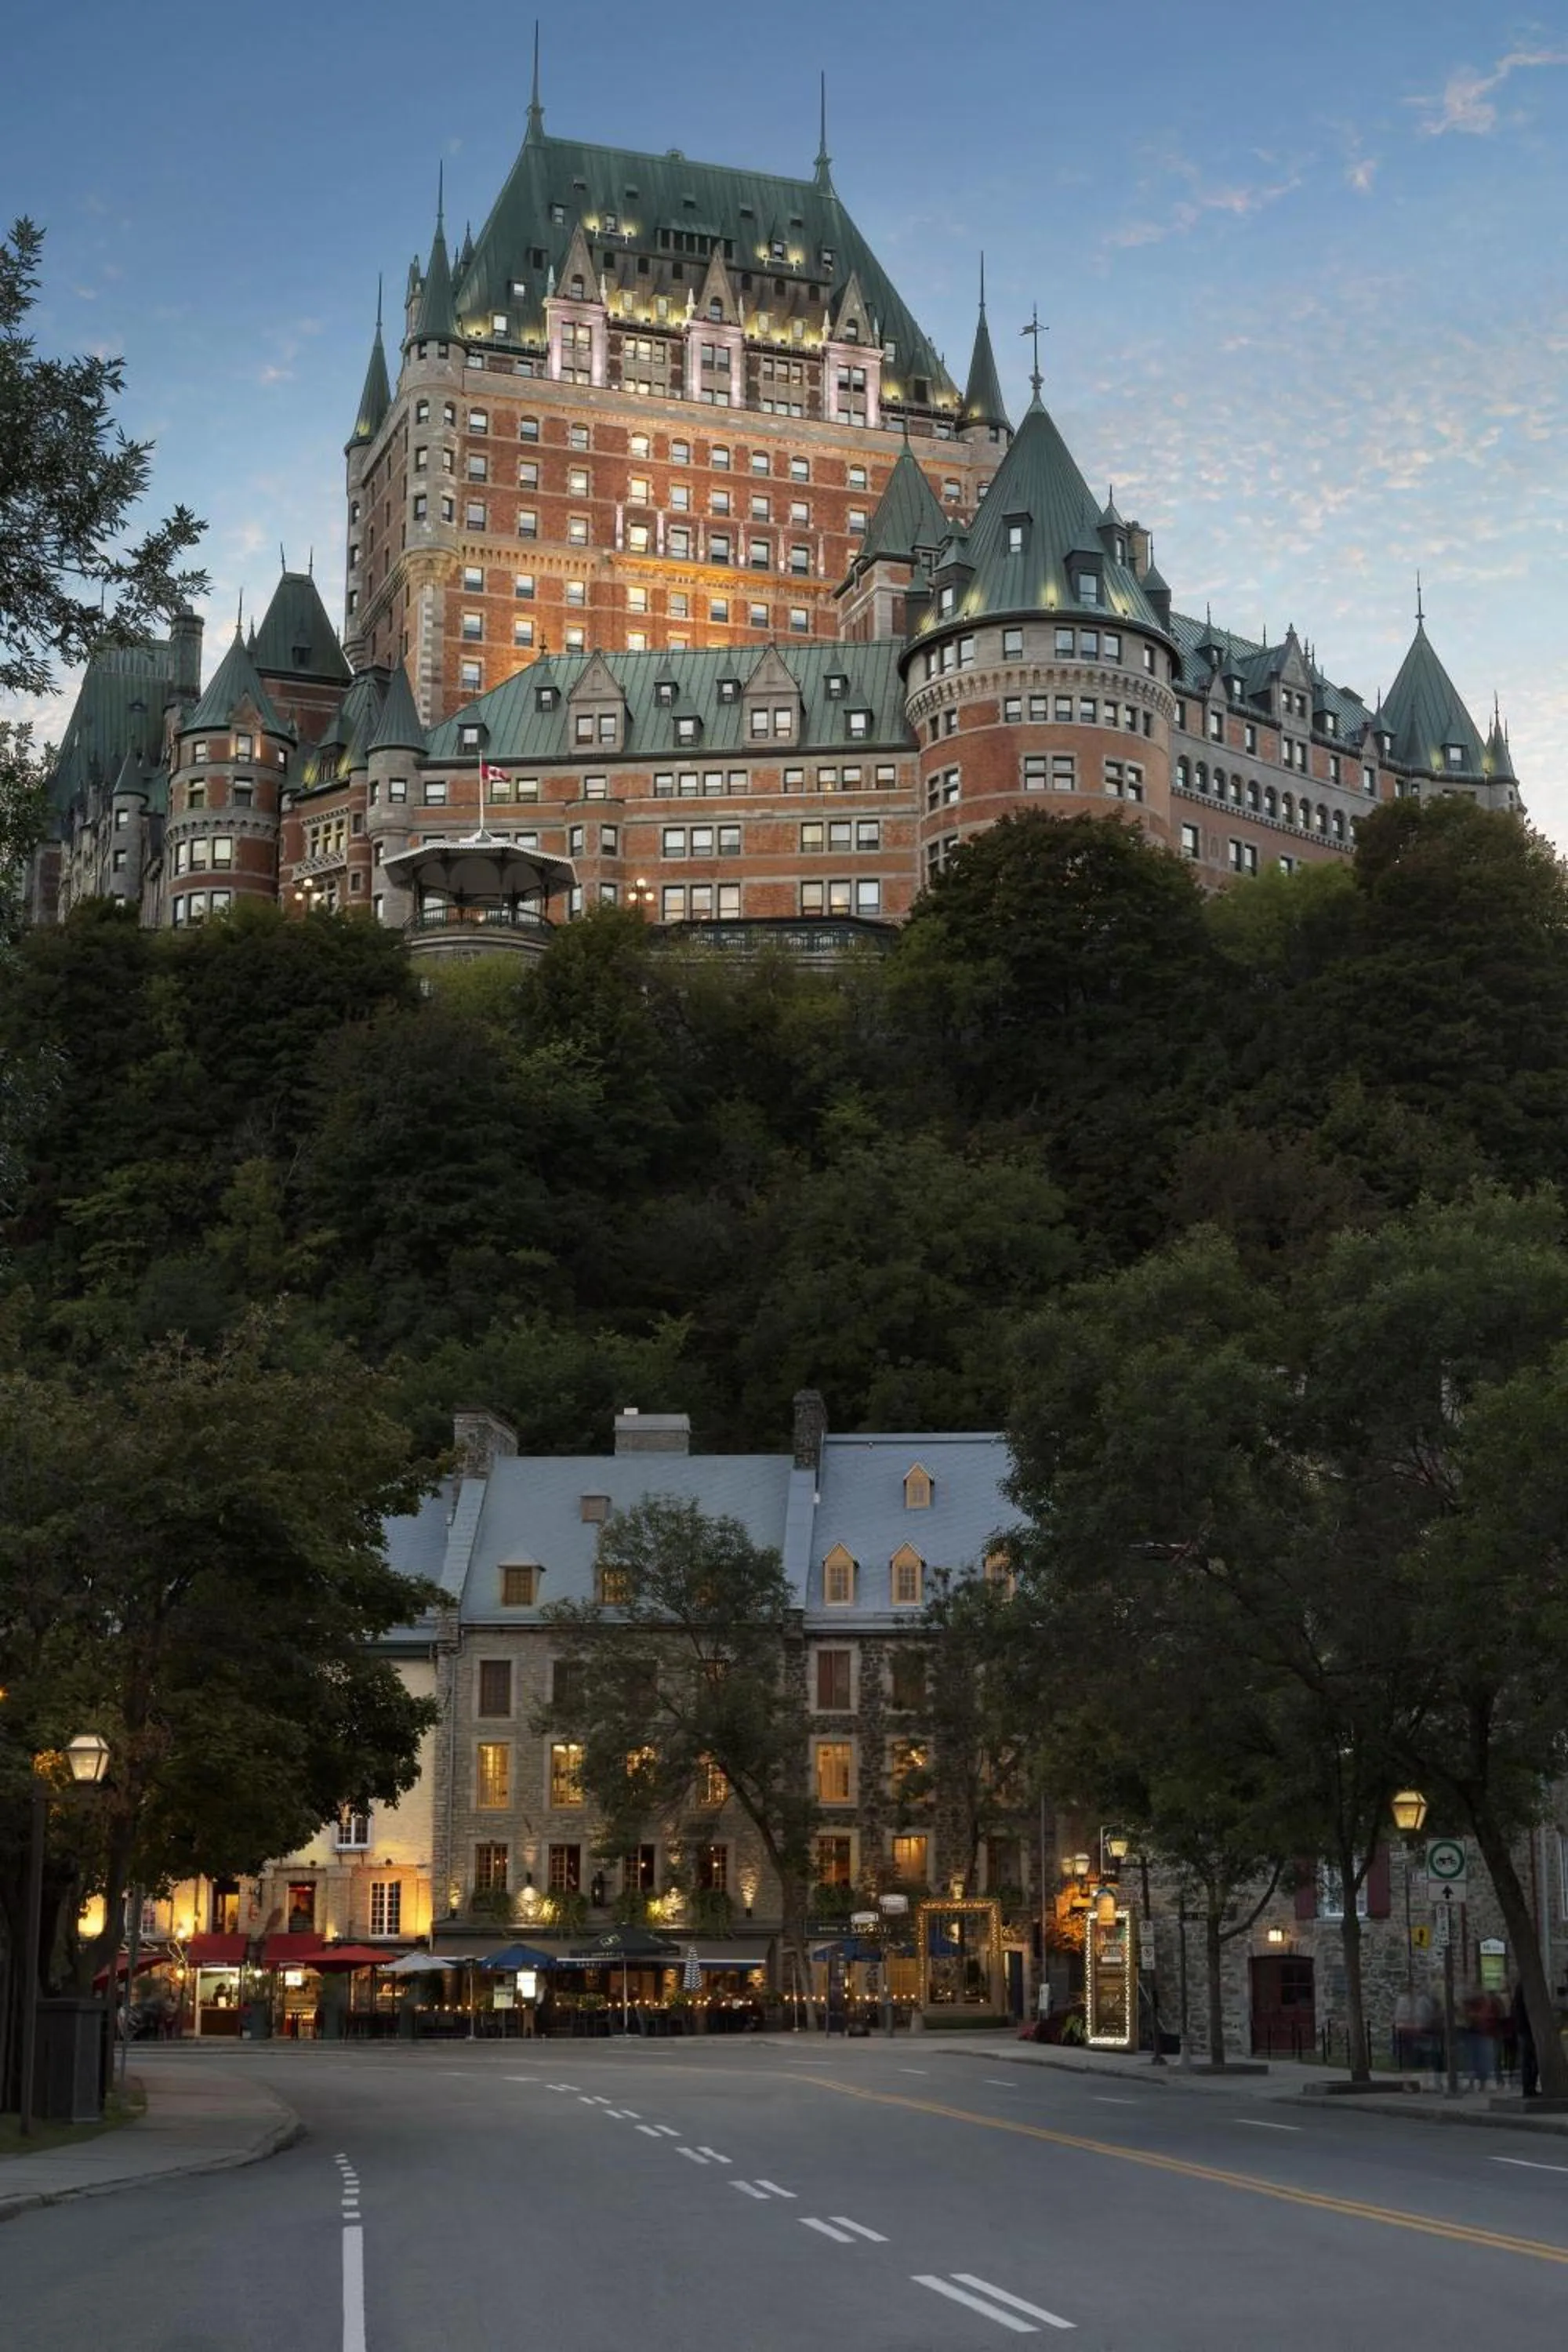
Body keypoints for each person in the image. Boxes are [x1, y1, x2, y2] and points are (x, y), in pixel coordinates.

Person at [1512, 1979, 1539, 2098]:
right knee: (1530, 2059)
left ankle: (1529, 2088)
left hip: (1525, 2028)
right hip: (1527, 2028)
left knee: (1530, 2060)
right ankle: (1529, 2088)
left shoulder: (1523, 1986)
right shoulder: (1526, 1987)